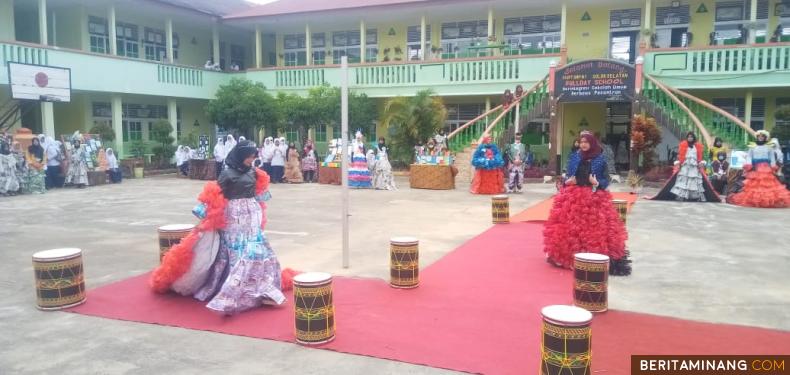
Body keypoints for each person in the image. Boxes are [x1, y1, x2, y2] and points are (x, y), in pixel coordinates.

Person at [150, 140, 293, 315]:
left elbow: (261, 195)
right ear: (240, 156)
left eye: (253, 156)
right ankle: (235, 289)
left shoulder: (254, 172)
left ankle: (260, 286)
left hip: (252, 216)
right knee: (237, 251)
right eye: (249, 156)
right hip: (233, 217)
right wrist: (206, 216)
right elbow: (215, 195)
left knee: (256, 249)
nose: (251, 159)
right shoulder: (227, 174)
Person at [543, 132, 631, 275]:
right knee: (570, 229)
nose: (583, 144)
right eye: (581, 141)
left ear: (592, 143)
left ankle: (592, 258)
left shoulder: (601, 159)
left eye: (586, 142)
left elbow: (606, 180)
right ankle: (568, 257)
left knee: (593, 230)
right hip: (573, 197)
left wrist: (596, 183)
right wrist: (568, 182)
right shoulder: (575, 156)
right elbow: (567, 176)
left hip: (594, 197)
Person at [728, 130, 790, 208]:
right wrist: (749, 164)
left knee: (767, 184)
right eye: (759, 136)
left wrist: (773, 166)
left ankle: (767, 200)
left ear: (765, 138)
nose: (760, 138)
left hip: (766, 168)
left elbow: (771, 157)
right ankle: (754, 201)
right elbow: (749, 156)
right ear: (757, 137)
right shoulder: (753, 146)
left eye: (762, 136)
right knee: (754, 184)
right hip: (755, 168)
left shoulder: (769, 147)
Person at [651, 132, 719, 202]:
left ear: (694, 138)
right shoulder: (683, 145)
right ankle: (682, 196)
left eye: (691, 137)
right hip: (685, 166)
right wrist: (679, 162)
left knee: (694, 181)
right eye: (689, 137)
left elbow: (699, 157)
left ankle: (693, 197)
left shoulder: (697, 146)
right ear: (687, 138)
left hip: (694, 167)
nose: (690, 138)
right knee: (683, 181)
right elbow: (681, 156)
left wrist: (701, 162)